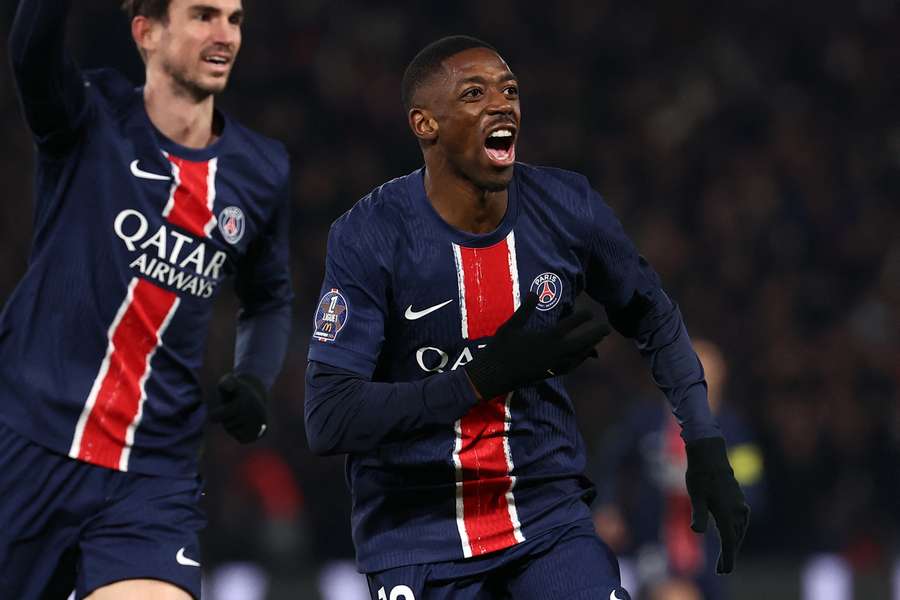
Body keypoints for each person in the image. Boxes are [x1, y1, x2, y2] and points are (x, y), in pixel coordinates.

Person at [304, 35, 749, 600]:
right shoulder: (371, 236)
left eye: (509, 90)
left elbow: (655, 318)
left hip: (545, 520)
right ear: (425, 124)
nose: (502, 103)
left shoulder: (566, 208)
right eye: (474, 92)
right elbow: (330, 418)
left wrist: (705, 443)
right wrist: (484, 377)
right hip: (418, 536)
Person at [0, 1, 292, 598]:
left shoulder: (261, 170)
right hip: (29, 443)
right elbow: (31, 53)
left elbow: (268, 298)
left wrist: (255, 378)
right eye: (204, 16)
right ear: (147, 33)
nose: (225, 36)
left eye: (234, 20)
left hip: (153, 474)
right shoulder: (87, 116)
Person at [591, 339, 765, 599]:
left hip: (710, 555)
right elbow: (611, 461)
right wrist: (607, 506)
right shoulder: (645, 421)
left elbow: (751, 492)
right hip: (651, 548)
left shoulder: (735, 433)